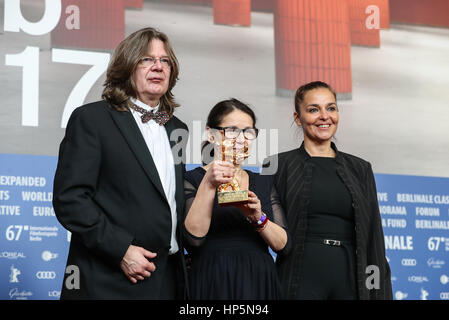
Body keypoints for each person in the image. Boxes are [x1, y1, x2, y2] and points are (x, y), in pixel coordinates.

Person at [53, 27, 189, 299]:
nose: (158, 67)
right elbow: (71, 199)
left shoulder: (178, 129)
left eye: (165, 61)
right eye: (146, 59)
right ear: (127, 66)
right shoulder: (92, 119)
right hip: (109, 280)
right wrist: (121, 250)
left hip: (167, 280)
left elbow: (169, 203)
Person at [263, 81, 392, 300]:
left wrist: (379, 294)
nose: (325, 116)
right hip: (297, 276)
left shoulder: (360, 168)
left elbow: (374, 239)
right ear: (298, 117)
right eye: (314, 109)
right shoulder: (276, 165)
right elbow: (267, 230)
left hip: (351, 277)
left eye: (331, 108)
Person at [183, 98, 291, 300]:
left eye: (248, 132)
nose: (240, 139)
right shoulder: (193, 179)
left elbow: (284, 245)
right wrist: (209, 183)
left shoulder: (263, 181)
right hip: (213, 277)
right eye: (232, 130)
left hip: (258, 279)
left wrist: (259, 218)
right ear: (211, 134)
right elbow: (193, 239)